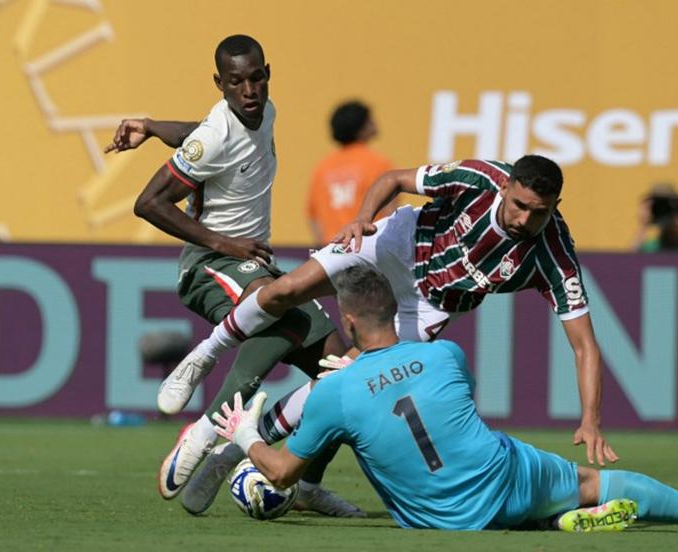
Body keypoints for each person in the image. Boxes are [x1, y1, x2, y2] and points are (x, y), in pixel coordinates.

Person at [211, 266, 678, 533]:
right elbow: (432, 404)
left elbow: (281, 473)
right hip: (505, 480)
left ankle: (553, 522)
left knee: (459, 494)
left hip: (438, 520)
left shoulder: (334, 393)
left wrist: (245, 434)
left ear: (347, 321)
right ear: (394, 312)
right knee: (593, 481)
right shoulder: (446, 355)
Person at [168, 155, 619, 466]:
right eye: (519, 205)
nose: (524, 220)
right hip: (398, 244)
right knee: (287, 289)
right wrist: (363, 215)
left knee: (345, 373)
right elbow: (394, 180)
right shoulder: (478, 177)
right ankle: (205, 354)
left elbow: (585, 347)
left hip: (429, 305)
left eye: (538, 213)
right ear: (506, 188)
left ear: (555, 208)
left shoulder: (554, 256)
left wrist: (591, 421)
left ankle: (231, 449)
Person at [103, 34, 362, 517]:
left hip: (254, 267)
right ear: (219, 83)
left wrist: (153, 126)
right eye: (237, 82)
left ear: (268, 73)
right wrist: (224, 244)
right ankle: (205, 432)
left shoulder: (265, 112)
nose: (250, 89)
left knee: (342, 374)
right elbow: (149, 203)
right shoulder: (216, 133)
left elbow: (202, 136)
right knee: (278, 305)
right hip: (209, 266)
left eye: (257, 77)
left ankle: (301, 485)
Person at [307, 100, 394, 245]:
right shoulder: (378, 163)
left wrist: (324, 250)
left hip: (332, 250)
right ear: (361, 128)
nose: (375, 123)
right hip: (368, 248)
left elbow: (314, 217)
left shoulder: (323, 167)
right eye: (370, 120)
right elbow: (391, 213)